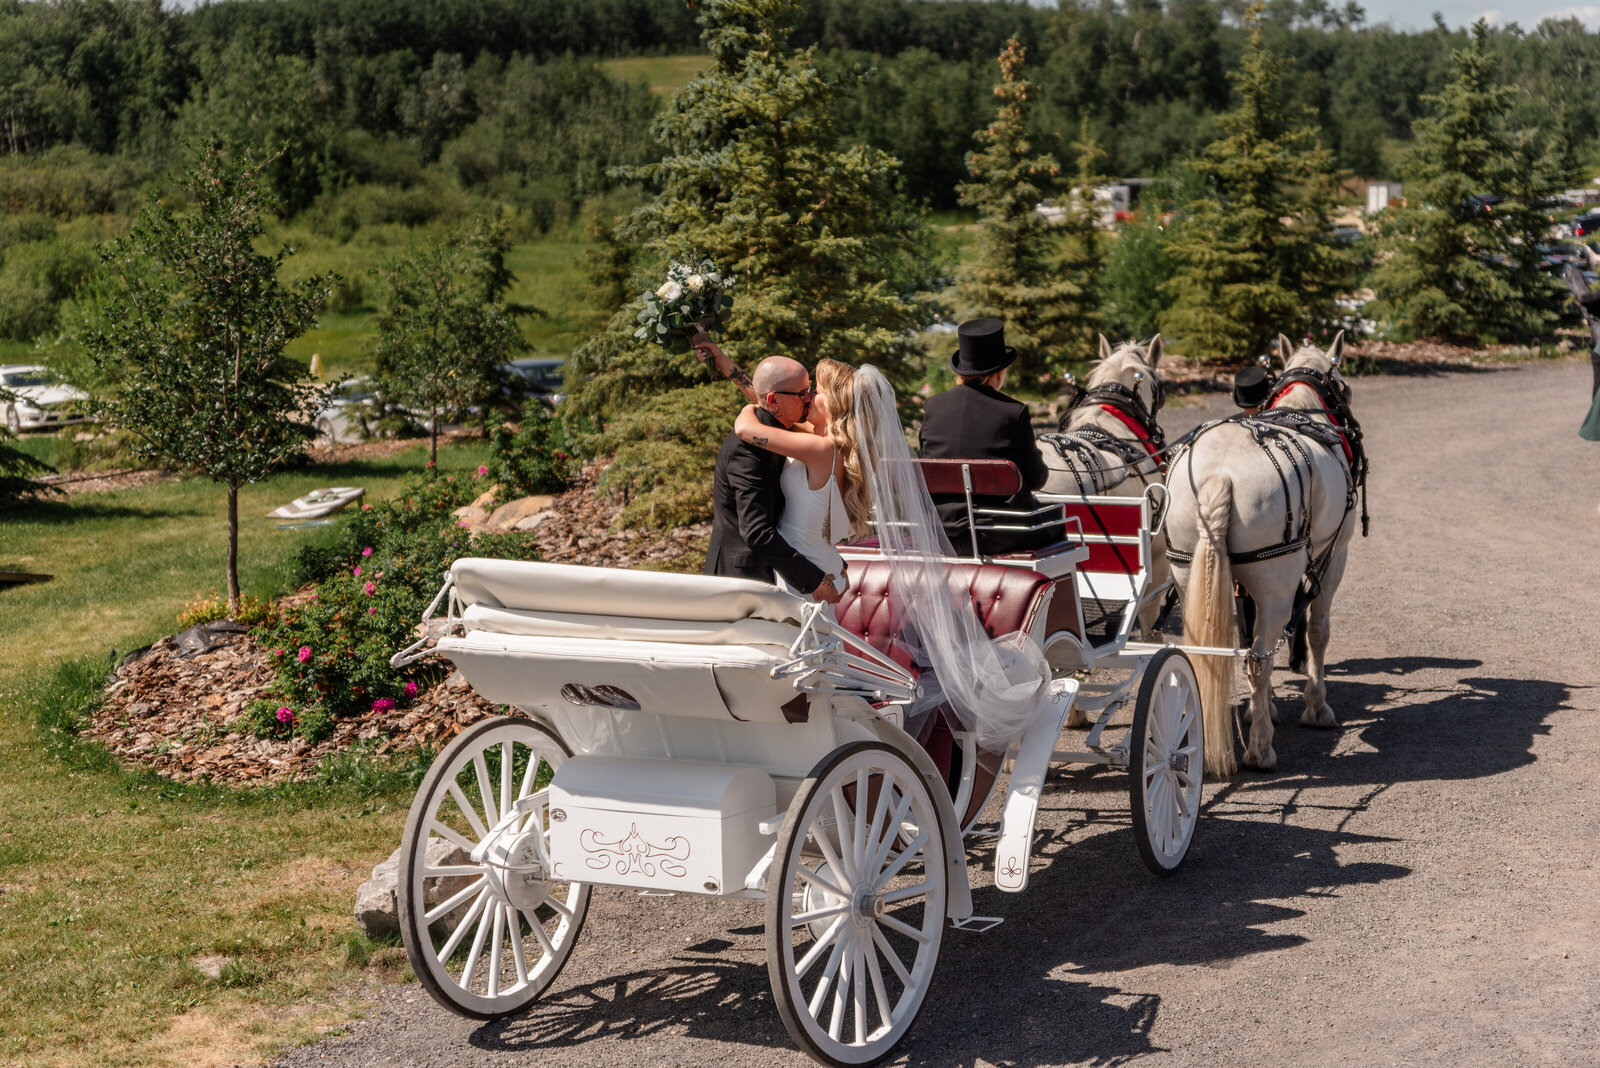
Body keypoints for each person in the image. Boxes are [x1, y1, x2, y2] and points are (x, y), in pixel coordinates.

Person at [702, 351, 841, 605]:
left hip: (778, 575)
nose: (808, 398)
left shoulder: (783, 432)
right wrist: (815, 580)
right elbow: (756, 531)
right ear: (774, 401)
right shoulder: (749, 448)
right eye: (802, 393)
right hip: (741, 581)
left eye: (810, 390)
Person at [729, 359, 868, 601]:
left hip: (807, 570)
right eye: (804, 392)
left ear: (834, 403)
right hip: (815, 560)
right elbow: (772, 400)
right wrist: (722, 361)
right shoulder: (822, 441)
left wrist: (746, 410)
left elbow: (745, 429)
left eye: (816, 391)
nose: (807, 396)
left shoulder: (821, 449)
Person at [919, 318, 1054, 555]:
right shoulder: (1013, 411)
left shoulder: (933, 406)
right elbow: (1035, 479)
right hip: (995, 535)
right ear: (999, 372)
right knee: (1056, 519)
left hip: (937, 532)